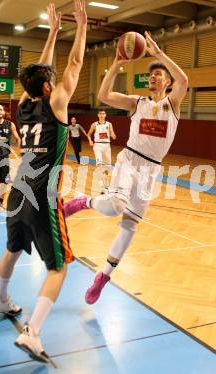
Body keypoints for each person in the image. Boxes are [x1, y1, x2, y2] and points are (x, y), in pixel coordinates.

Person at [0, 0, 87, 362]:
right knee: (59, 267)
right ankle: (33, 332)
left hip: (17, 192)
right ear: (47, 86)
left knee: (13, 248)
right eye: (49, 78)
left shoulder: (22, 104)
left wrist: (54, 31)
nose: (53, 79)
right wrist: (82, 25)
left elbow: (38, 72)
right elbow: (74, 62)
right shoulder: (57, 102)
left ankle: (0, 300)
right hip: (43, 197)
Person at [63, 31, 188, 305]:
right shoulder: (137, 102)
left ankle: (103, 277)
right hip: (130, 159)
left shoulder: (173, 104)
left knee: (129, 226)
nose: (154, 77)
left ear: (167, 83)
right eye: (151, 74)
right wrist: (118, 63)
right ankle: (85, 202)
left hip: (151, 170)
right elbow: (105, 94)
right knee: (116, 205)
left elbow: (185, 80)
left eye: (159, 75)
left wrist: (160, 55)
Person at [87, 110, 116, 191]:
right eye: (100, 113)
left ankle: (105, 180)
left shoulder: (109, 124)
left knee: (107, 166)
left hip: (107, 146)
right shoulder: (94, 124)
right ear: (98, 115)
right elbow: (89, 134)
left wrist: (113, 135)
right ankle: (101, 180)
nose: (101, 115)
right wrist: (90, 140)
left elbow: (112, 133)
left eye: (103, 113)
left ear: (105, 115)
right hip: (98, 145)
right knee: (99, 164)